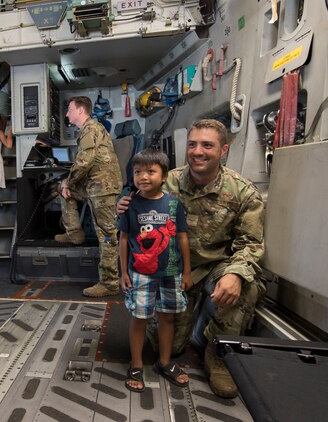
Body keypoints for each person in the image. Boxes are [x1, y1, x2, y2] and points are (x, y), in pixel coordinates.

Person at [117, 119, 265, 398]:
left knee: (247, 285)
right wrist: (122, 205)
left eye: (207, 145)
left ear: (224, 150)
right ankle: (185, 334)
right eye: (193, 144)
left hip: (215, 266)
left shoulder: (242, 192)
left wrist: (235, 272)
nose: (198, 151)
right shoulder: (165, 179)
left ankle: (219, 353)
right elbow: (134, 211)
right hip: (170, 269)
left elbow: (251, 243)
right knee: (168, 346)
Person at [119, 149, 191, 392]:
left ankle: (165, 362)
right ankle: (136, 364)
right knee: (140, 318)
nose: (143, 177)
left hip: (171, 272)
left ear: (164, 176)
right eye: (138, 172)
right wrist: (123, 273)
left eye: (151, 171)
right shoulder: (130, 204)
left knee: (167, 317)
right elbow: (123, 239)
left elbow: (182, 238)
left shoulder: (173, 204)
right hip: (140, 273)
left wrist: (187, 272)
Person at [55, 96, 123, 298]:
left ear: (80, 111)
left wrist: (69, 181)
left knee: (107, 235)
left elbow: (85, 161)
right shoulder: (90, 129)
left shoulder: (90, 129)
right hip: (95, 185)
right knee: (63, 191)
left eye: (69, 109)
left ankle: (109, 283)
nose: (67, 114)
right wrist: (68, 185)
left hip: (103, 188)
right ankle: (75, 233)